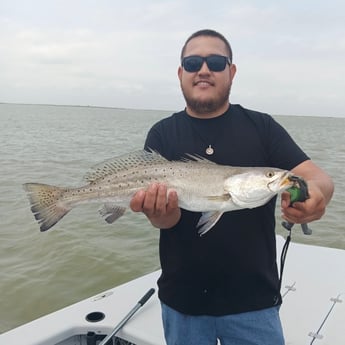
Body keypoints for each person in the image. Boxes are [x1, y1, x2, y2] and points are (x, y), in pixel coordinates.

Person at [130, 29, 334, 345]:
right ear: (181, 72)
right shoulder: (162, 134)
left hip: (255, 304)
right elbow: (165, 222)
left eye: (215, 61)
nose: (204, 70)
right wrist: (158, 213)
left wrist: (316, 196)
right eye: (193, 62)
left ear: (232, 71)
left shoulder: (262, 127)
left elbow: (317, 178)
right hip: (183, 304)